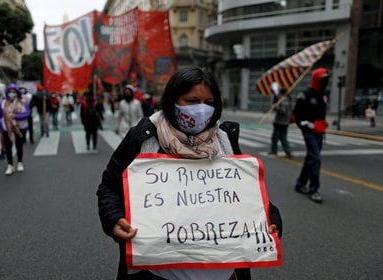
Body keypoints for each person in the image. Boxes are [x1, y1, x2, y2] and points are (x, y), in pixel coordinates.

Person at [96, 67, 282, 280]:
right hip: (157, 274)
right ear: (172, 101)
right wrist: (114, 218)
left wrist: (271, 217)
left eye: (209, 103)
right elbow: (109, 187)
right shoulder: (144, 138)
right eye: (192, 101)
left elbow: (248, 195)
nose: (201, 110)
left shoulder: (224, 140)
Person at [293, 67, 330, 203]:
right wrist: (306, 125)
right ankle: (313, 190)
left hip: (320, 131)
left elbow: (321, 112)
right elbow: (297, 115)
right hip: (309, 131)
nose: (326, 82)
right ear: (316, 80)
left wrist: (323, 123)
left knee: (311, 158)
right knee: (316, 158)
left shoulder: (324, 94)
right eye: (323, 80)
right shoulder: (305, 95)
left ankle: (300, 183)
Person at [0, 84, 30, 175]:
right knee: (8, 147)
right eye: (10, 92)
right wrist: (0, 124)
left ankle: (20, 162)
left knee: (19, 145)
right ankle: (10, 165)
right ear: (7, 93)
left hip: (19, 127)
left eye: (14, 92)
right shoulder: (2, 103)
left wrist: (16, 116)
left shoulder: (22, 102)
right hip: (7, 128)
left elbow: (27, 114)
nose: (12, 94)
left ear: (17, 92)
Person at [269, 88, 293, 157]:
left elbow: (283, 111)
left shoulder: (284, 101)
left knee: (275, 138)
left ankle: (274, 151)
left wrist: (276, 108)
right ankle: (288, 151)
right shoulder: (287, 100)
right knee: (283, 138)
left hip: (280, 122)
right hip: (284, 122)